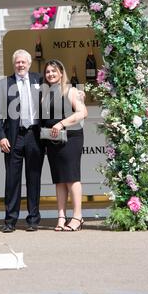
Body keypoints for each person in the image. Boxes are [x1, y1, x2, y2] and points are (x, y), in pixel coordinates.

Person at [0, 49, 44, 232]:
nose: (21, 65)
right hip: (13, 137)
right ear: (13, 64)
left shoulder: (39, 80)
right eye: (17, 62)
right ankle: (10, 221)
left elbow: (54, 97)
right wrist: (1, 137)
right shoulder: (4, 83)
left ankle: (33, 220)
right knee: (12, 180)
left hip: (35, 136)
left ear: (29, 64)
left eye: (24, 62)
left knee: (34, 178)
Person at [40, 59, 87, 232]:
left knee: (71, 177)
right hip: (53, 140)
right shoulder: (45, 93)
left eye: (54, 71)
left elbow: (83, 112)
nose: (50, 74)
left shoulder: (71, 90)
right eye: (47, 72)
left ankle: (77, 216)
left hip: (71, 136)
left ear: (61, 73)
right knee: (59, 179)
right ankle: (61, 216)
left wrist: (61, 124)